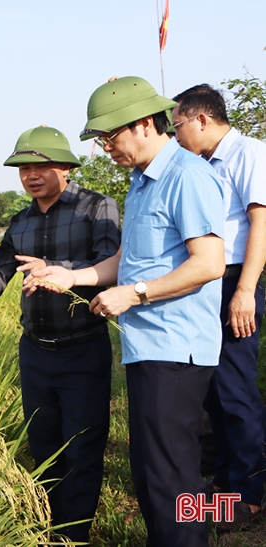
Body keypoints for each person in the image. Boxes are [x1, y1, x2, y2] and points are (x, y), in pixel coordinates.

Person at [25, 76, 226, 547]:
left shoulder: (186, 175)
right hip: (148, 347)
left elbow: (209, 263)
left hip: (176, 349)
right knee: (152, 474)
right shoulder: (142, 181)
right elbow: (129, 260)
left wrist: (133, 294)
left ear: (141, 124)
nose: (104, 148)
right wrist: (71, 276)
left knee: (169, 476)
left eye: (109, 137)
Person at [0, 125, 121, 543]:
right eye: (23, 168)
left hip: (82, 347)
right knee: (44, 444)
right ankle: (50, 525)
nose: (31, 175)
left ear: (65, 165)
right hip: (36, 353)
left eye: (40, 165)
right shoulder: (20, 221)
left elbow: (111, 266)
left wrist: (58, 269)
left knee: (81, 445)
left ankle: (73, 534)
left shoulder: (97, 208)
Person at [172, 83, 266, 531]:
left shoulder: (249, 153)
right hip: (208, 281)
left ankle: (248, 494)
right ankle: (224, 485)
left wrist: (245, 289)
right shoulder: (200, 164)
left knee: (234, 389)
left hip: (234, 281)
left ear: (201, 119)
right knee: (211, 389)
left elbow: (261, 223)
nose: (175, 136)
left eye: (177, 125)